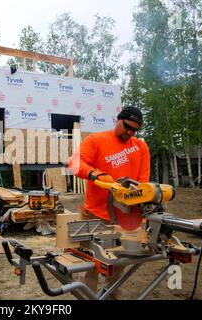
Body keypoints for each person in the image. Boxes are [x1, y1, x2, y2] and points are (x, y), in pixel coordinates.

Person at [68, 106, 150, 299]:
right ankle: (85, 296)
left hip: (125, 215)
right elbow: (75, 163)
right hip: (96, 213)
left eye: (134, 130)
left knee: (119, 262)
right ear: (118, 120)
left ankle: (111, 295)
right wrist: (95, 174)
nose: (129, 133)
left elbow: (143, 182)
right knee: (91, 263)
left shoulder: (140, 147)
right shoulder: (97, 140)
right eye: (127, 127)